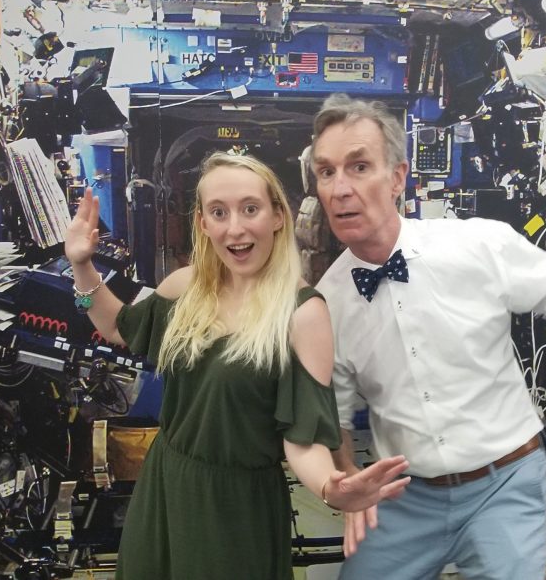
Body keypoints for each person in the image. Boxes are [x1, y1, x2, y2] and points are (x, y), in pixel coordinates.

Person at [309, 94, 546, 580]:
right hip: (406, 497)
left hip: (504, 482)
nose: (340, 188)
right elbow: (336, 417)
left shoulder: (475, 244)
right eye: (327, 172)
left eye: (359, 166)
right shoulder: (326, 303)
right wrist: (349, 490)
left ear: (397, 179)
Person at [64, 152, 411, 579]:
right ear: (203, 223)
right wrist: (81, 264)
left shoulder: (302, 313)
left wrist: (330, 487)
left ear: (278, 216)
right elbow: (118, 326)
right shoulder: (185, 288)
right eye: (219, 212)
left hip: (237, 506)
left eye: (250, 209)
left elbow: (302, 437)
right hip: (166, 485)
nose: (236, 227)